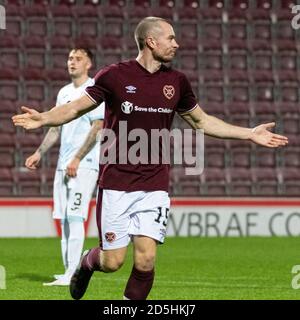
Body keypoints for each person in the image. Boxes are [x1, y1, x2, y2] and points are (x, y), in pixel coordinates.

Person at [13, 17, 288, 299]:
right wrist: (44, 118)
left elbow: (201, 121)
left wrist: (249, 133)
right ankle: (87, 262)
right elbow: (76, 108)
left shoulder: (176, 81)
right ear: (151, 41)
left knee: (145, 261)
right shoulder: (114, 75)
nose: (176, 44)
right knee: (113, 262)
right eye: (171, 38)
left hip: (154, 184)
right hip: (117, 182)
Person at [24, 48, 105, 286]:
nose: (72, 62)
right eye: (70, 58)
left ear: (89, 63)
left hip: (84, 164)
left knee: (75, 215)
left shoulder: (94, 90)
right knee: (64, 218)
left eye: (78, 59)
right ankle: (67, 270)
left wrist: (78, 158)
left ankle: (74, 274)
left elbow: (98, 127)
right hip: (63, 164)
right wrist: (39, 152)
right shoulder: (64, 92)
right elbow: (55, 127)